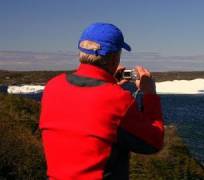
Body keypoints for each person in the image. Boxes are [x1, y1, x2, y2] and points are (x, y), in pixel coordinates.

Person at [39, 22, 164, 180]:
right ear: (113, 58)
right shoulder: (116, 99)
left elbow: (82, 112)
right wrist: (149, 94)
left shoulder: (53, 86)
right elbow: (153, 142)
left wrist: (108, 83)